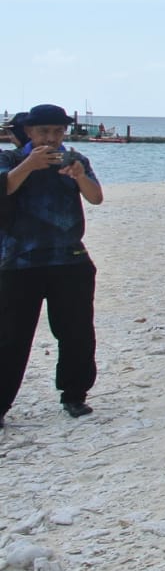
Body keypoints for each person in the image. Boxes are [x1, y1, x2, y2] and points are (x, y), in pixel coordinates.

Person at [0, 103, 105, 427]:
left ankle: (74, 395)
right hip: (19, 261)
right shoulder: (10, 159)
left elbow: (96, 197)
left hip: (69, 258)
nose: (51, 138)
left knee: (76, 333)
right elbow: (4, 188)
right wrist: (29, 165)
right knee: (10, 338)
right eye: (44, 131)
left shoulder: (75, 159)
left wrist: (79, 177)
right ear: (29, 132)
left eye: (58, 131)